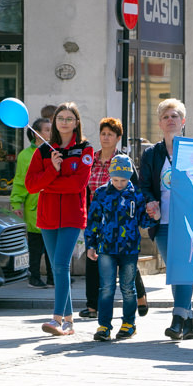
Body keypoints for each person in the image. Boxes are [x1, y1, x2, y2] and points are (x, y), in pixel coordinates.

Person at [25, 102, 93, 336]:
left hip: (73, 216)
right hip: (47, 217)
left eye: (69, 118)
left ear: (76, 123)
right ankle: (70, 323)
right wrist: (52, 171)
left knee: (61, 266)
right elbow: (31, 185)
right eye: (60, 118)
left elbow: (78, 185)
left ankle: (56, 319)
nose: (64, 122)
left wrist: (48, 185)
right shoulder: (43, 151)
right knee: (57, 266)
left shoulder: (85, 149)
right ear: (54, 122)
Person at [140, 98, 193, 341]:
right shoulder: (151, 154)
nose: (170, 120)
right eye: (165, 117)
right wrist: (150, 201)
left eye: (174, 116)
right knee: (176, 270)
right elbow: (144, 185)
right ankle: (189, 321)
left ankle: (177, 319)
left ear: (183, 121)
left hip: (187, 222)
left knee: (182, 269)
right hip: (163, 221)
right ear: (160, 123)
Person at [80, 117, 148, 320]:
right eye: (103, 133)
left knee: (127, 264)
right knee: (92, 260)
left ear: (118, 137)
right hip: (98, 215)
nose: (106, 137)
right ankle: (92, 306)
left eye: (110, 134)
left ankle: (140, 297)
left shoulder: (123, 161)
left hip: (122, 220)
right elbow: (84, 185)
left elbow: (135, 191)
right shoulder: (91, 158)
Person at [86, 155, 157, 341]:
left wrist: (153, 216)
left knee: (128, 287)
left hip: (129, 249)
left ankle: (128, 323)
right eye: (115, 179)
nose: (119, 183)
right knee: (106, 288)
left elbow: (143, 220)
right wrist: (90, 244)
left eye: (123, 180)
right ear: (110, 176)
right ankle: (104, 326)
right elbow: (93, 220)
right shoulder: (101, 193)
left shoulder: (137, 195)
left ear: (130, 177)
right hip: (106, 248)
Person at [10, 117, 53, 288]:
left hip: (52, 205)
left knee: (53, 247)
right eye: (47, 130)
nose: (51, 133)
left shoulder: (53, 151)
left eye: (51, 129)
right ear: (36, 134)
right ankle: (34, 277)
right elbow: (20, 181)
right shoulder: (25, 155)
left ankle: (53, 277)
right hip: (34, 207)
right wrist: (16, 204)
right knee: (36, 246)